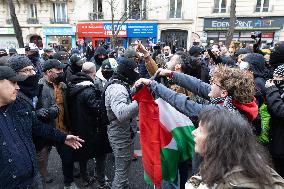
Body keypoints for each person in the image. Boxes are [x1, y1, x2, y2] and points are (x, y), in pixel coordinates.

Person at [0, 66, 84, 188]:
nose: (17, 87)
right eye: (13, 83)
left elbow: (38, 126)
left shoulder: (19, 104)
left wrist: (63, 137)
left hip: (33, 179)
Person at [185, 109, 284, 188]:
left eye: (201, 130)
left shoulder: (238, 184)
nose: (193, 132)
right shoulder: (225, 165)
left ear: (219, 141)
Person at [68, 62, 111, 188]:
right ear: (93, 73)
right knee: (101, 154)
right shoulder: (88, 90)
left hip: (78, 126)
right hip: (92, 127)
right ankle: (100, 180)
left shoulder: (73, 84)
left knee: (83, 154)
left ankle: (85, 178)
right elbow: (97, 109)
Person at [39, 59, 77, 189]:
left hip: (62, 129)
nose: (62, 72)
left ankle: (69, 182)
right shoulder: (39, 86)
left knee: (67, 158)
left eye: (62, 69)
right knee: (41, 159)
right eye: (58, 70)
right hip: (45, 130)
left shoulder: (63, 86)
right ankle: (42, 180)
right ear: (49, 72)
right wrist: (41, 112)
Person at [104, 57, 139, 189]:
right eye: (134, 70)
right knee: (121, 172)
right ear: (127, 71)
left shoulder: (118, 82)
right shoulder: (117, 88)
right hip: (120, 135)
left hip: (122, 133)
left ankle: (124, 185)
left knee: (123, 168)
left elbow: (126, 97)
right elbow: (122, 114)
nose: (136, 73)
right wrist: (141, 101)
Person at [265, 64, 284, 178]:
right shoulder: (280, 92)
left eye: (278, 77)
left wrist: (272, 90)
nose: (275, 80)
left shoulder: (276, 91)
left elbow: (280, 110)